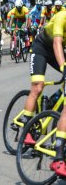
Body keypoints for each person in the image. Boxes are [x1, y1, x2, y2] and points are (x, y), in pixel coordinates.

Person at [13, 11, 66, 177]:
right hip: (42, 48)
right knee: (37, 86)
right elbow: (57, 43)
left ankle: (53, 101)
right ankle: (27, 129)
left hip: (58, 50)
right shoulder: (61, 17)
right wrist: (63, 67)